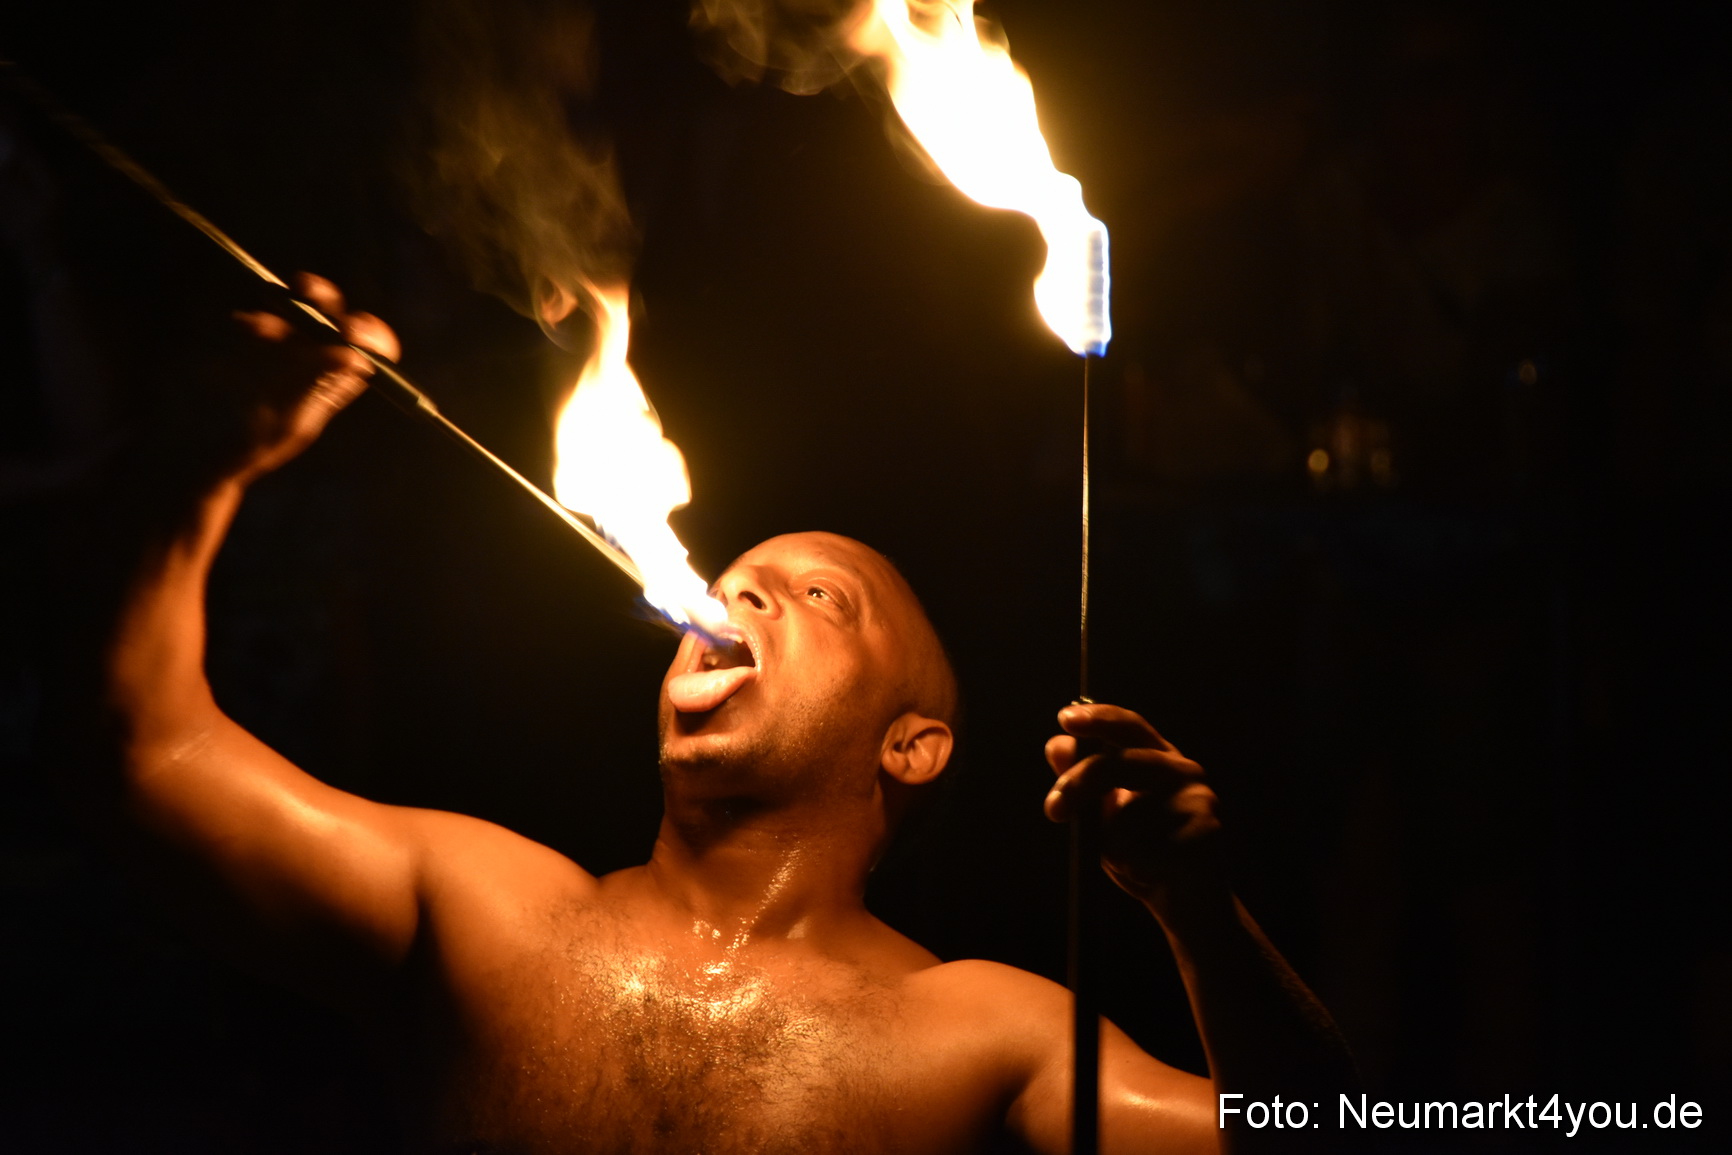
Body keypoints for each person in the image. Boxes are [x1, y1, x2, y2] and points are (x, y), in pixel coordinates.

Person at [19, 265, 1357, 1154]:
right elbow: (139, 749)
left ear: (914, 744)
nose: (742, 597)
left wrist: (1198, 911)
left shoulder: (985, 1037)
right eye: (736, 583)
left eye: (819, 597)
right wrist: (202, 468)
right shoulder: (488, 913)